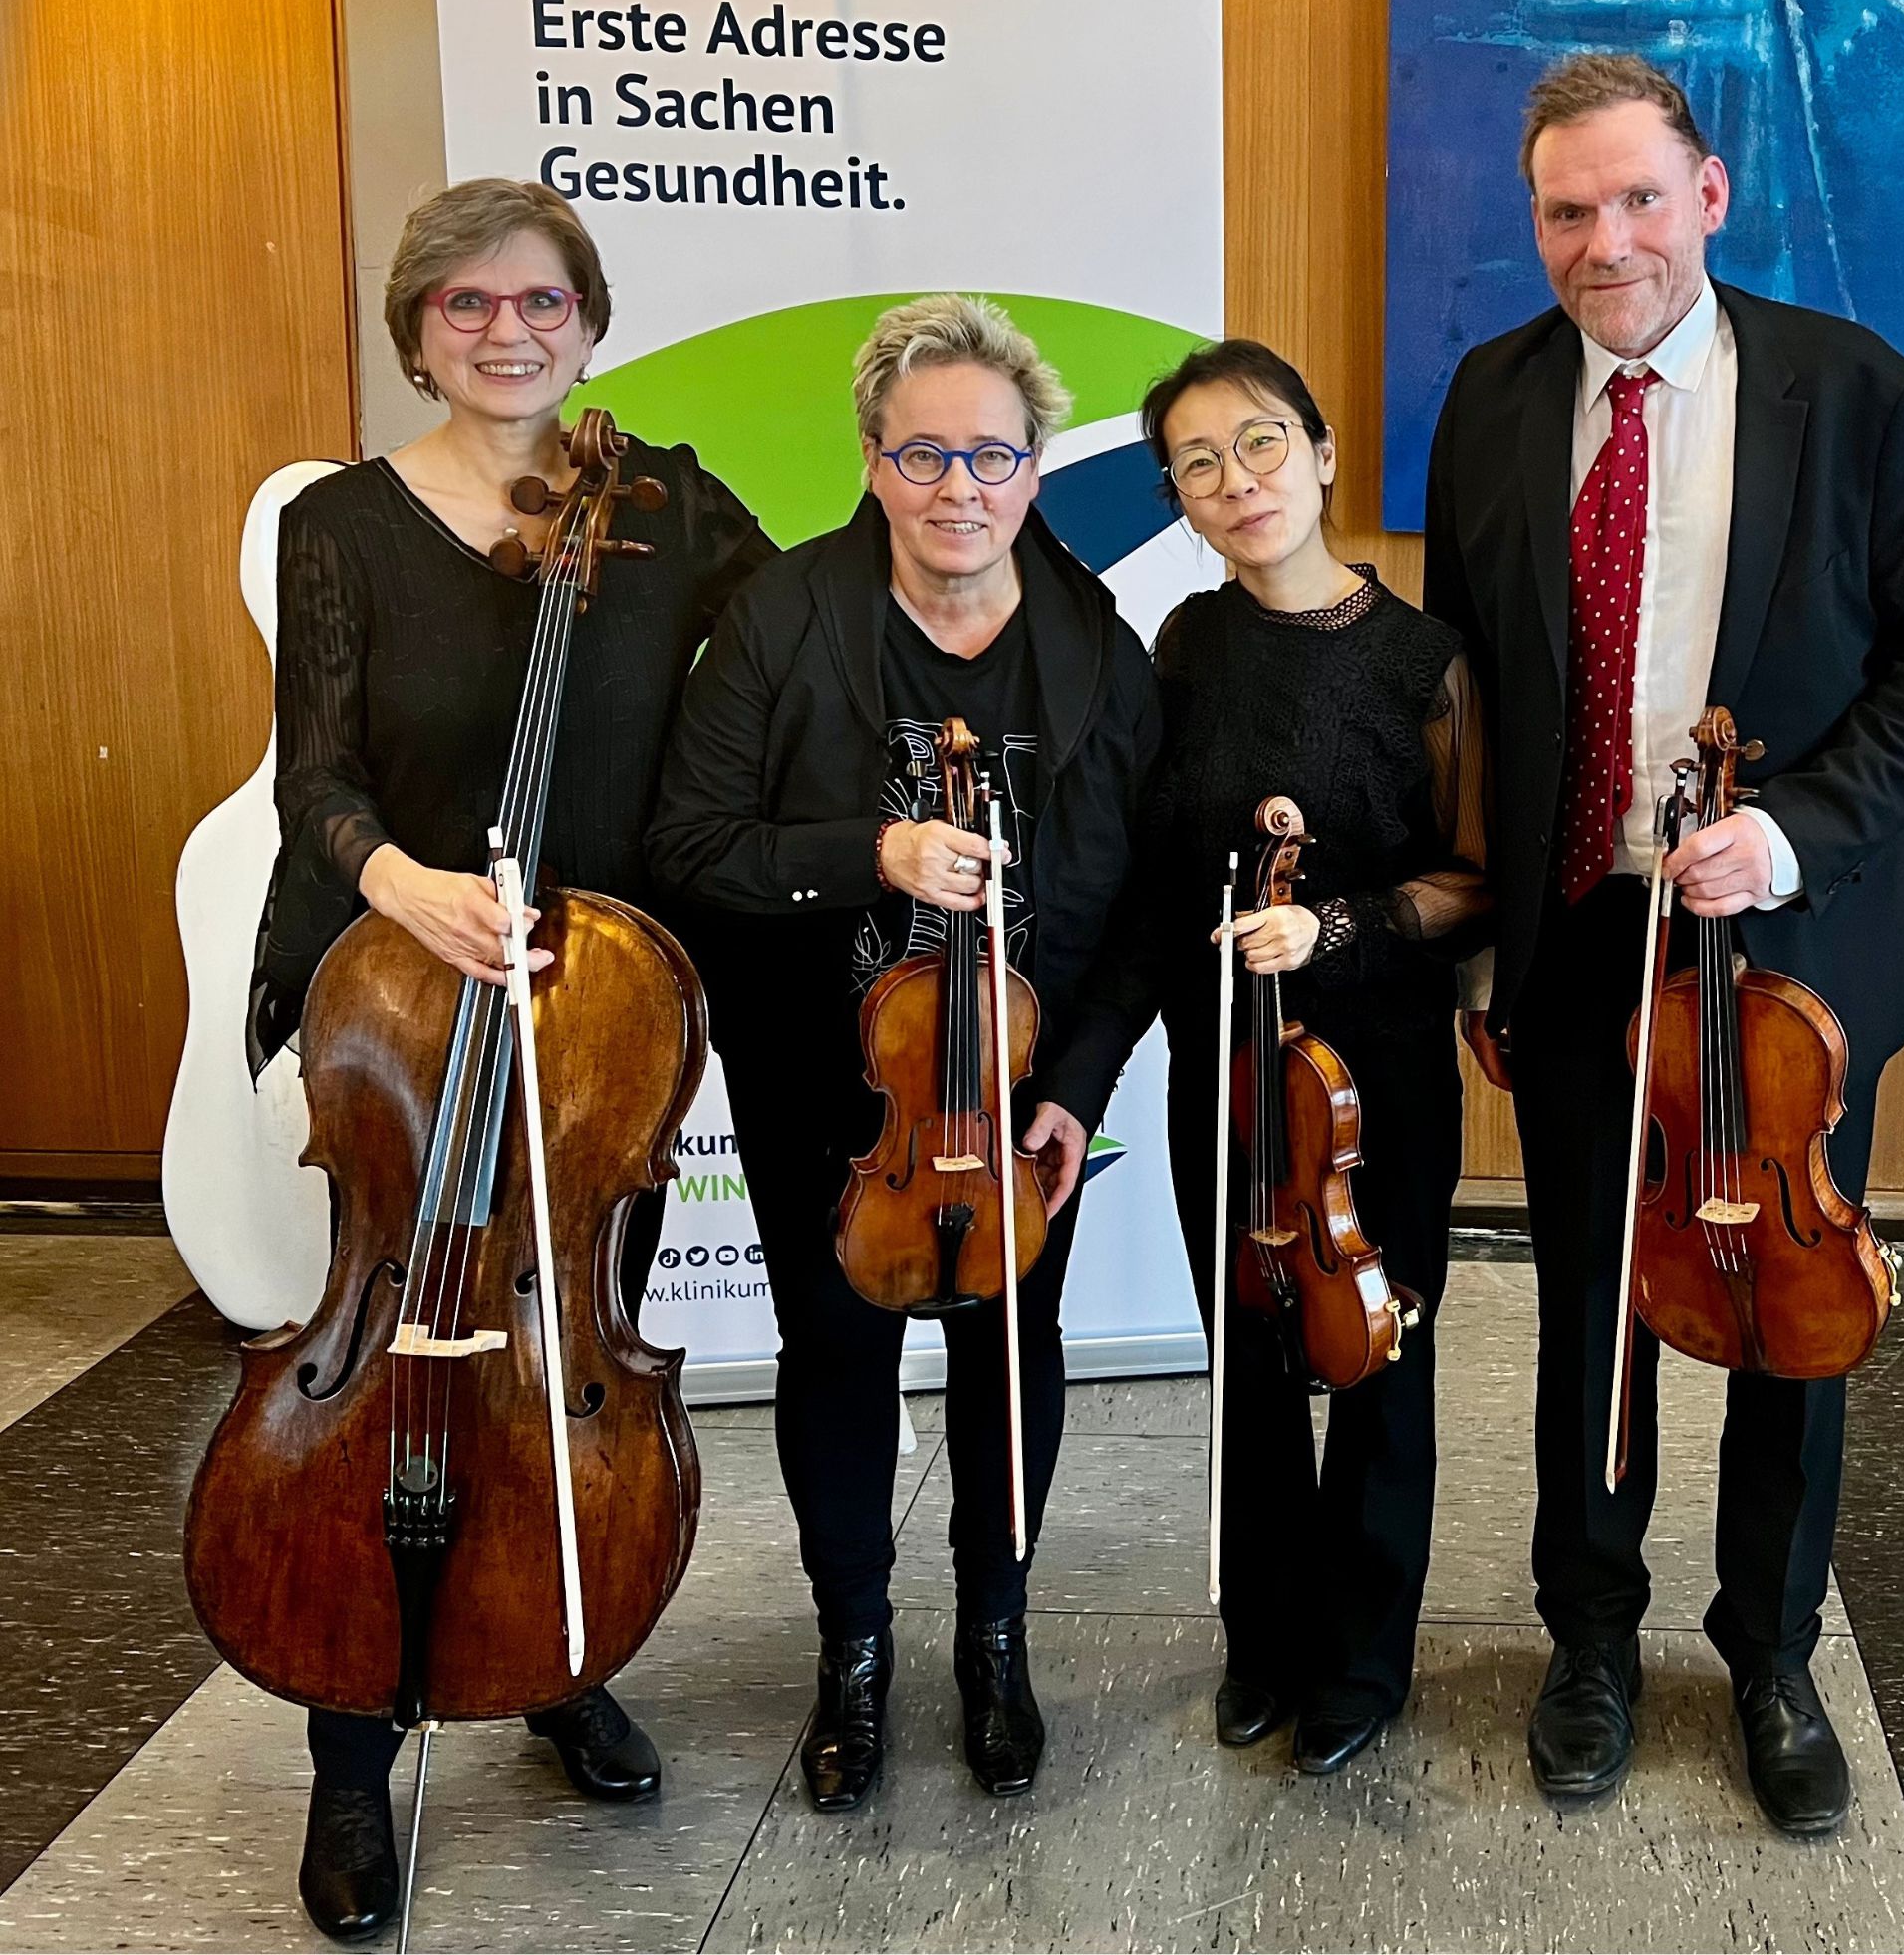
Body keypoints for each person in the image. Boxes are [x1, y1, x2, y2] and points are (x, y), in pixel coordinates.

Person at [1420, 53, 1904, 1833]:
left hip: (1791, 954)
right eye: (1565, 211)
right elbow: (1471, 688)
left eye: (1636, 200)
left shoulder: (1858, 393)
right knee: (1596, 1308)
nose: (1605, 243)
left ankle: (1770, 1651)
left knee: (1789, 1306)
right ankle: (1589, 1640)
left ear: (1712, 195)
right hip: (1579, 939)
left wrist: (1803, 827)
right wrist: (1478, 949)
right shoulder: (1491, 397)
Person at [249, 177, 774, 1939]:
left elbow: (809, 640)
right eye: (464, 306)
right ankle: (347, 1754)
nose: (505, 333)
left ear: (589, 320)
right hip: (390, 997)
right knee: (378, 1344)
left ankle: (548, 1656)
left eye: (539, 302)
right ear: (417, 331)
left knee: (554, 1350)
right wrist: (408, 886)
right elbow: (310, 780)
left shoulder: (669, 507)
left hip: (589, 1021)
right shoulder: (341, 522)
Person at [648, 294, 1158, 1810]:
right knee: (841, 1356)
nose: (959, 491)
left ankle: (996, 1641)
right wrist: (866, 852)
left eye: (992, 459)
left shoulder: (1094, 647)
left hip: (1013, 1094)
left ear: (1034, 470)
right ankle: (852, 1649)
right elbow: (691, 843)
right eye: (924, 455)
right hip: (830, 1079)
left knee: (1014, 1358)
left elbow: (1133, 904)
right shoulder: (784, 619)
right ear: (871, 462)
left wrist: (1074, 1089)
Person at [1047, 340, 1486, 1775]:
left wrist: (1340, 925)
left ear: (1322, 454)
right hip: (1224, 1065)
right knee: (1246, 1356)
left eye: (1261, 445)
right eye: (1199, 462)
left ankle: (1363, 1657)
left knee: (1374, 1355)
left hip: (1380, 1069)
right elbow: (1163, 877)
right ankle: (1264, 1637)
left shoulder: (1425, 660)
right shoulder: (1182, 645)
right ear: (1175, 493)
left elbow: (1477, 878)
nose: (1238, 482)